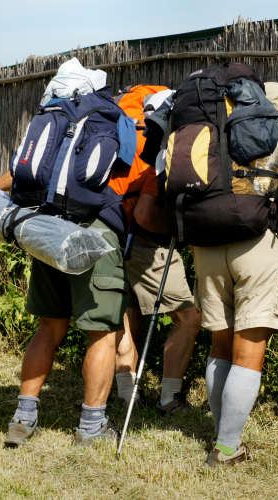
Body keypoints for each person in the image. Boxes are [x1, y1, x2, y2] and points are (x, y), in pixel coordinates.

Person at [0, 171, 128, 447]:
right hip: (96, 230)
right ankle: (91, 427)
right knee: (101, 332)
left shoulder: (58, 126)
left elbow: (26, 172)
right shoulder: (122, 127)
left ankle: (23, 420)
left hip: (50, 229)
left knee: (49, 326)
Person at [195, 82, 278, 466]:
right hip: (258, 245)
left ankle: (220, 436)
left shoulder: (219, 130)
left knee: (219, 344)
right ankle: (226, 448)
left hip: (209, 245)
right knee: (249, 350)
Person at [109, 86, 202, 413]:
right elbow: (148, 215)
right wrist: (178, 230)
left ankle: (126, 392)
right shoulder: (160, 146)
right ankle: (169, 398)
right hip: (145, 239)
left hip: (111, 230)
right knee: (188, 317)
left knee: (126, 311)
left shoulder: (124, 129)